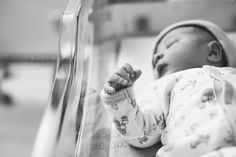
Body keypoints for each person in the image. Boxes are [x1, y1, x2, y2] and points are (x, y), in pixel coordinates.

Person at [100, 20, 236, 157]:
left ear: (213, 52)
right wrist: (120, 97)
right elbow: (141, 132)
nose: (156, 57)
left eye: (170, 44)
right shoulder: (163, 87)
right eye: (154, 61)